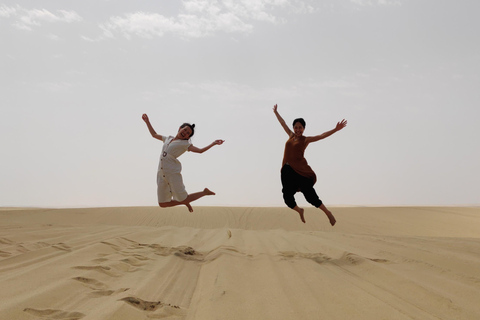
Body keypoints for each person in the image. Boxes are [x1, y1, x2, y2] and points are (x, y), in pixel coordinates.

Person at [272, 104, 347, 225]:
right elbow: (282, 123)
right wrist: (276, 112)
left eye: (300, 127)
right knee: (287, 197)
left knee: (310, 196)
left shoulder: (305, 140)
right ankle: (299, 210)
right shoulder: (290, 136)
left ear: (304, 128)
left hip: (300, 172)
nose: (297, 130)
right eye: (296, 127)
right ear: (293, 128)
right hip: (286, 171)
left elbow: (321, 136)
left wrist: (335, 129)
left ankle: (328, 213)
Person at [142, 113, 224, 212]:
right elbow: (154, 135)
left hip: (172, 173)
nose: (185, 133)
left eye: (188, 133)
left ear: (187, 137)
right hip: (161, 174)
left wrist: (213, 143)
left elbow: (200, 151)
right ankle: (186, 202)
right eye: (185, 130)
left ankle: (204, 192)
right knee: (162, 204)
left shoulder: (185, 144)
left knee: (183, 198)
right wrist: (147, 121)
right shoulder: (168, 138)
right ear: (180, 128)